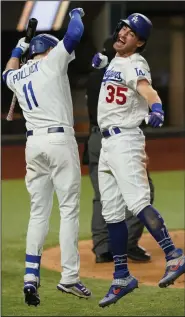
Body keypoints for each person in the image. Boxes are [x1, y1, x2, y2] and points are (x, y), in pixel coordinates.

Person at [91, 13, 185, 308]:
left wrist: (157, 107)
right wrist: (101, 64)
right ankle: (121, 277)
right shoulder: (117, 61)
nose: (123, 33)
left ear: (140, 42)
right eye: (123, 28)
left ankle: (174, 255)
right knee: (113, 215)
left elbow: (147, 89)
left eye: (130, 33)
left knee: (138, 203)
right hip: (107, 144)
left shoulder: (136, 63)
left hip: (125, 140)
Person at [2, 8, 92, 307]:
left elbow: (6, 72)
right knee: (68, 210)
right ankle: (69, 278)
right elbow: (75, 33)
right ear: (50, 50)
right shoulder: (54, 60)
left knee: (38, 213)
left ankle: (30, 276)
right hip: (58, 139)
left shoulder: (17, 75)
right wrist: (77, 12)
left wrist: (17, 48)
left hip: (33, 146)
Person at [86, 36, 154, 264]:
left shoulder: (95, 76)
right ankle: (128, 245)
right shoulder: (119, 73)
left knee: (101, 197)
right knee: (145, 192)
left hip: (94, 139)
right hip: (117, 138)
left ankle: (102, 248)